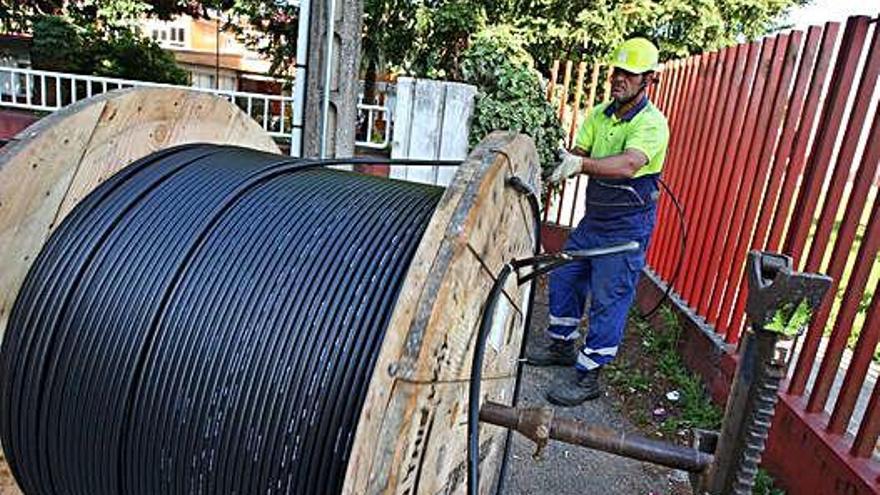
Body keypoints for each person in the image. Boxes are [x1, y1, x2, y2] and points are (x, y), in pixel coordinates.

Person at [528, 37, 670, 406]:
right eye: (617, 71)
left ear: (647, 80)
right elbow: (579, 153)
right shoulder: (599, 115)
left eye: (629, 73)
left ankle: (589, 375)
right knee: (565, 277)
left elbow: (628, 165)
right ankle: (562, 345)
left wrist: (581, 165)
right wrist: (559, 163)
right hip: (594, 221)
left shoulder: (652, 124)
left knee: (609, 299)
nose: (619, 78)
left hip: (627, 228)